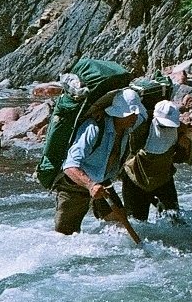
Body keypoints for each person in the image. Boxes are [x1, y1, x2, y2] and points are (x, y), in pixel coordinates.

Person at [54, 88, 147, 235]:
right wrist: (90, 185)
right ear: (117, 114)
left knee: (120, 225)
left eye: (136, 113)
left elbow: (146, 116)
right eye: (131, 113)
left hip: (102, 183)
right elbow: (70, 166)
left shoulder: (129, 124)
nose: (135, 117)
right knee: (65, 235)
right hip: (76, 185)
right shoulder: (93, 128)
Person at [122, 100, 192, 224]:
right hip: (136, 180)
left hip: (163, 179)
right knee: (137, 223)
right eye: (164, 125)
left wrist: (184, 145)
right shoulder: (142, 127)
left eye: (170, 125)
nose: (167, 127)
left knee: (174, 218)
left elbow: (185, 157)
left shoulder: (179, 130)